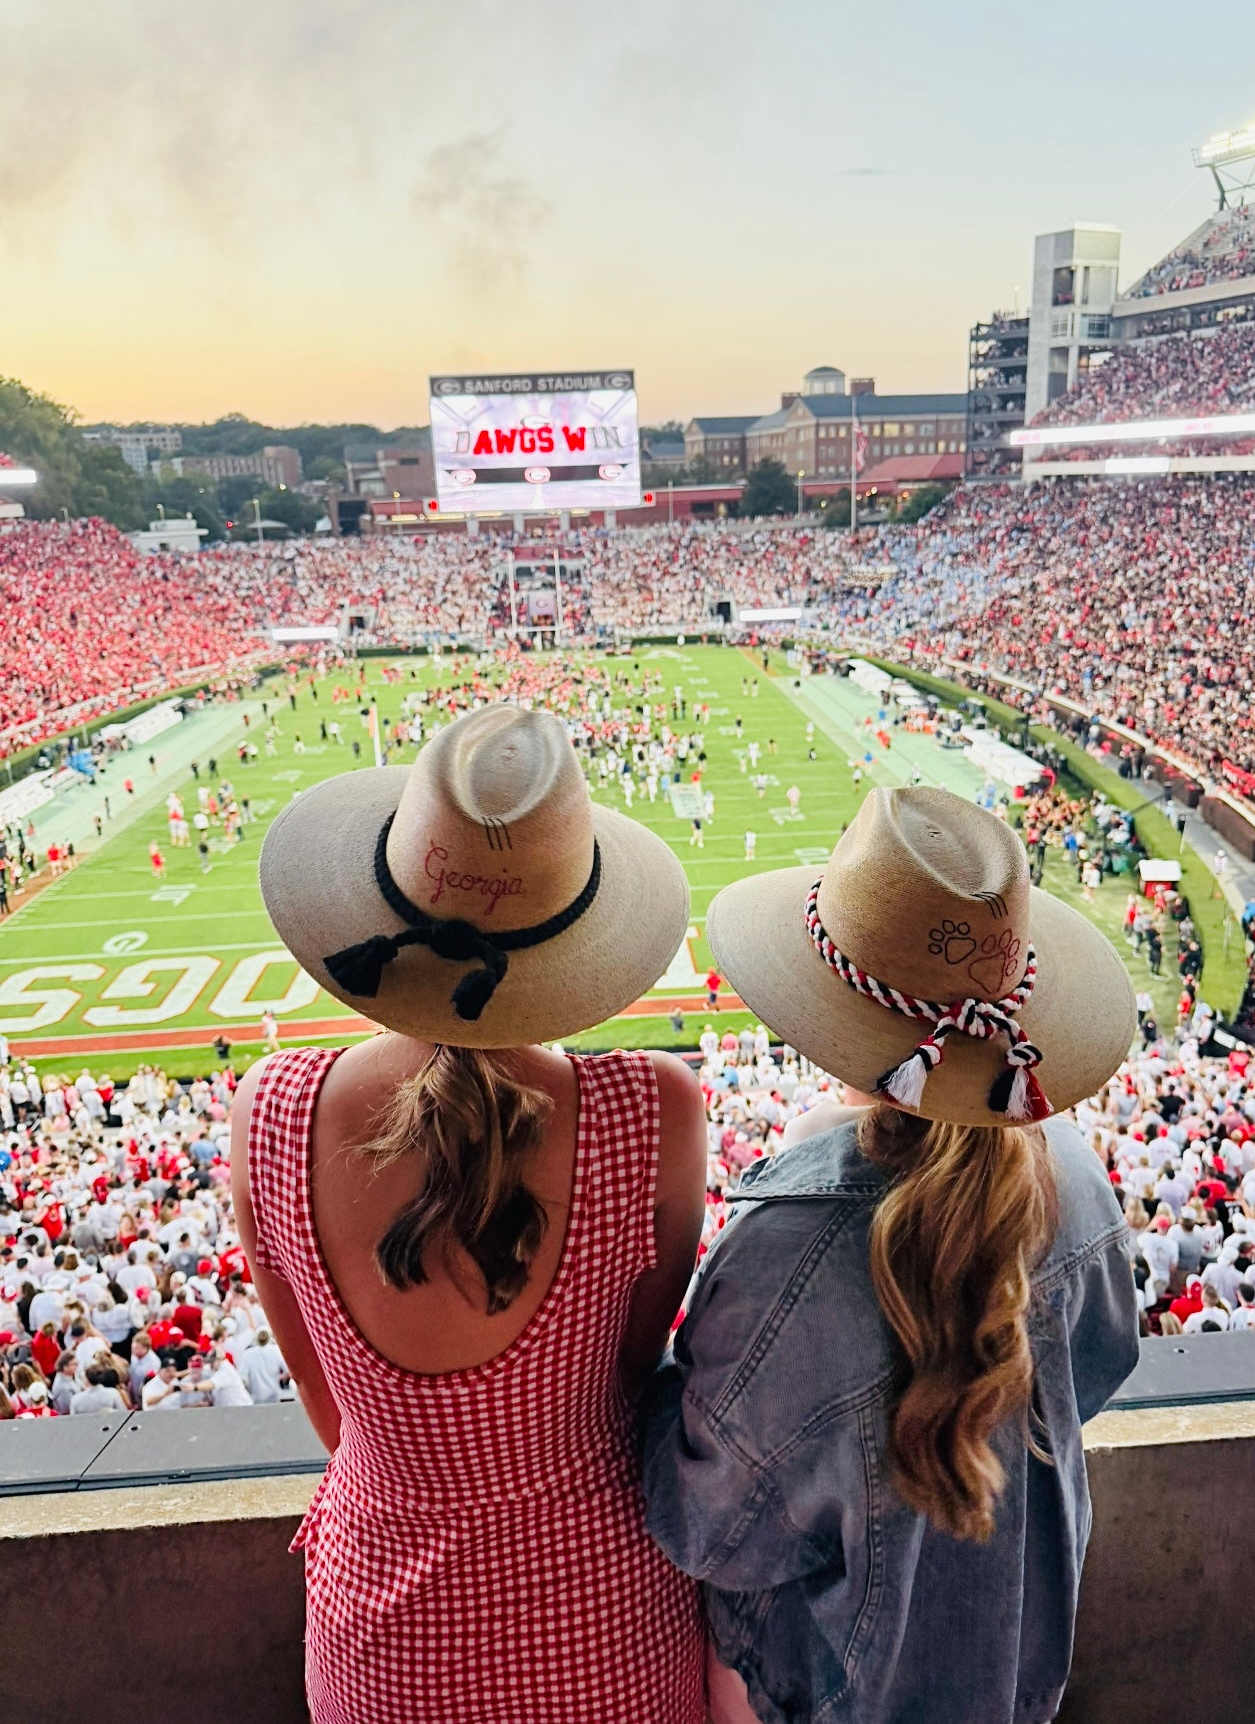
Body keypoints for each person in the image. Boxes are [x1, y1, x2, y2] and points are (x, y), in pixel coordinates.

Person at [230, 706, 707, 1724]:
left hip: (385, 1634)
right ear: (574, 929)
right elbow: (631, 1364)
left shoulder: (270, 1109)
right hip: (606, 1614)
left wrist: (425, 1468)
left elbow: (328, 1405)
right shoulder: (651, 1108)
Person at [643, 787, 1140, 1724]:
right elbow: (1106, 1358)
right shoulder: (1076, 1174)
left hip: (820, 1685)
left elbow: (708, 1524)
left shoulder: (787, 1249)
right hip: (1020, 1671)